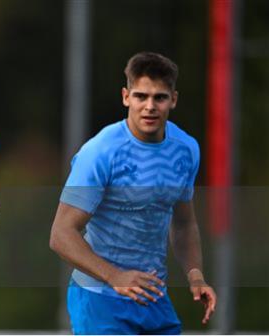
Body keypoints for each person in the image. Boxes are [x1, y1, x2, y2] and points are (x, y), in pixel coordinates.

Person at [50, 52, 217, 334]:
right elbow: (61, 234)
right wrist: (115, 276)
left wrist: (195, 276)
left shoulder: (186, 150)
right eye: (141, 96)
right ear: (126, 97)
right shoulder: (100, 152)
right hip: (99, 299)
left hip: (151, 296)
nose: (150, 106)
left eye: (159, 97)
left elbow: (184, 222)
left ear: (173, 99)